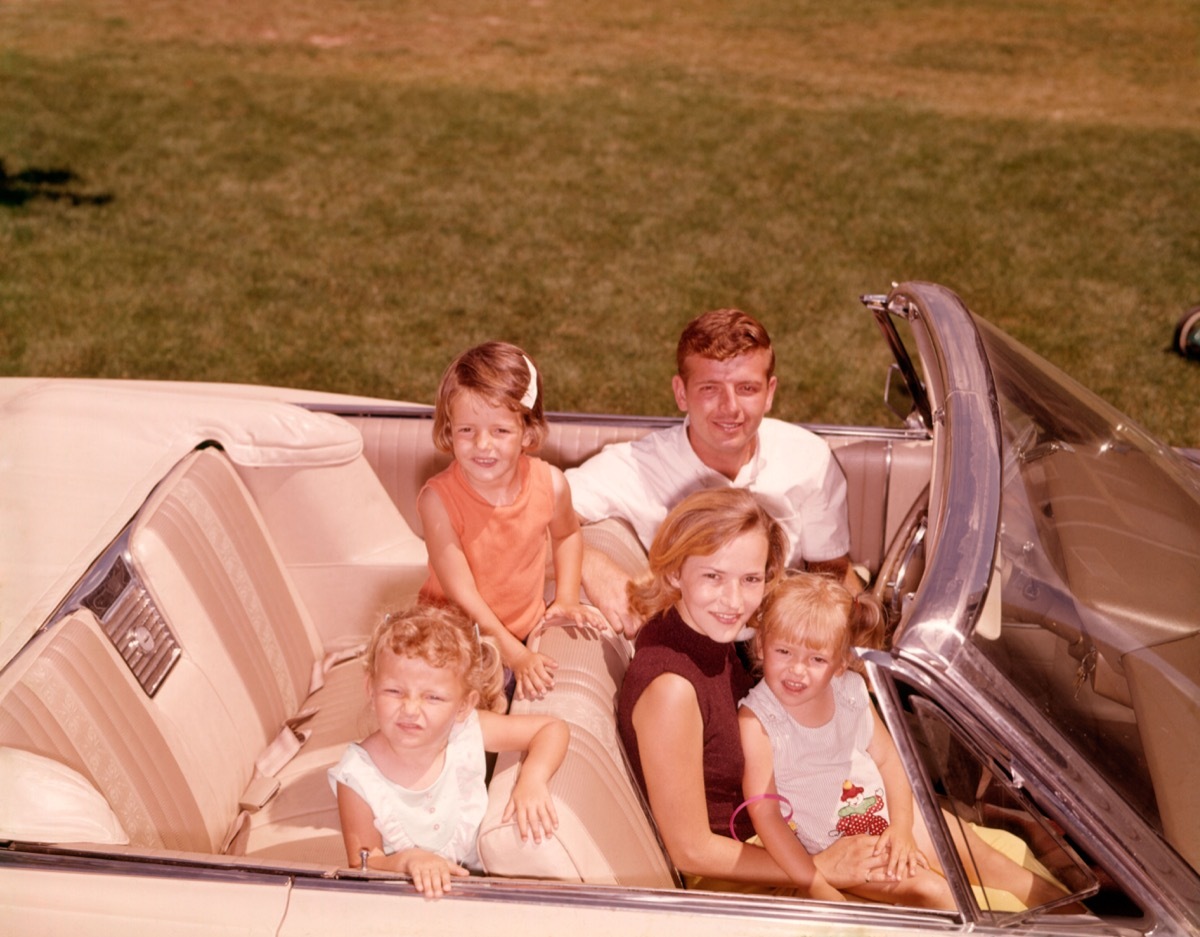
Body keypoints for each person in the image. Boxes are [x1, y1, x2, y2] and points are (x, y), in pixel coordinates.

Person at [738, 572, 1068, 909]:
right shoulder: (758, 720)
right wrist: (816, 884)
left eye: (816, 659)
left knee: (993, 864)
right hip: (833, 844)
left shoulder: (851, 691)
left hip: (885, 814)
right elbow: (765, 814)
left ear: (840, 663)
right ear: (761, 643)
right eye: (784, 651)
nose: (797, 670)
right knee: (937, 893)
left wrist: (902, 827)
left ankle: (1089, 924)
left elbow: (889, 760)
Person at [616, 488, 884, 894]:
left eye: (751, 579)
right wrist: (815, 868)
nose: (734, 600)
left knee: (944, 842)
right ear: (674, 572)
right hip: (743, 874)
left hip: (784, 818)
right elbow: (691, 851)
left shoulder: (698, 631)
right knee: (936, 889)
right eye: (713, 576)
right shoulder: (671, 689)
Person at [565, 308, 858, 635]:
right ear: (681, 393)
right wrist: (593, 567)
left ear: (770, 392)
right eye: (710, 388)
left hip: (784, 642)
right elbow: (527, 517)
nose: (730, 407)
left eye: (747, 388)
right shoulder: (634, 467)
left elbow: (831, 571)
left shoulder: (807, 457)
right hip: (693, 645)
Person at [328, 603, 569, 898]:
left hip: (477, 889)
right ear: (371, 689)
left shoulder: (466, 730)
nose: (410, 709)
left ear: (464, 705)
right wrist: (410, 859)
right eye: (394, 691)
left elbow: (552, 730)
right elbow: (362, 864)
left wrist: (533, 778)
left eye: (433, 697)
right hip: (409, 900)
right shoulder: (357, 777)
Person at [418, 341, 606, 700]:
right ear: (448, 431)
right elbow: (463, 598)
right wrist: (516, 656)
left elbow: (567, 536)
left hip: (521, 628)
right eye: (466, 430)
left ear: (528, 432)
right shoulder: (438, 501)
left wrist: (566, 597)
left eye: (500, 431)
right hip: (451, 638)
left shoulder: (550, 483)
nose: (482, 445)